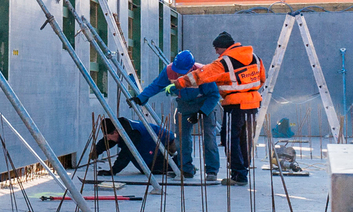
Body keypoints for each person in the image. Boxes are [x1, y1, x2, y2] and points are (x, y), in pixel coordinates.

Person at [175, 31, 266, 187]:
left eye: (216, 49)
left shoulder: (225, 62)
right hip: (252, 104)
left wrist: (181, 82)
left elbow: (203, 74)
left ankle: (238, 175)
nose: (216, 52)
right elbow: (262, 78)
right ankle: (242, 173)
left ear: (223, 47)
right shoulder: (255, 58)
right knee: (245, 140)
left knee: (230, 140)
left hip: (235, 104)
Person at [130, 50, 220, 181]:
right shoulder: (169, 70)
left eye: (183, 72)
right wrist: (140, 98)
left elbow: (214, 95)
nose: (179, 74)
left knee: (209, 137)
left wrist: (202, 112)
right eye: (177, 71)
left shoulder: (202, 72)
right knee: (182, 138)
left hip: (204, 103)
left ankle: (212, 171)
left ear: (191, 67)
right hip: (184, 104)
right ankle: (186, 169)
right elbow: (156, 85)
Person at [90, 117, 178, 176]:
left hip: (164, 141)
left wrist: (112, 171)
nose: (108, 139)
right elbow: (107, 142)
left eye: (108, 137)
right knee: (144, 167)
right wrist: (97, 151)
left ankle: (179, 164)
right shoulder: (119, 127)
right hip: (150, 141)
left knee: (150, 167)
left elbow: (125, 155)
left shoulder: (131, 134)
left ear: (115, 132)